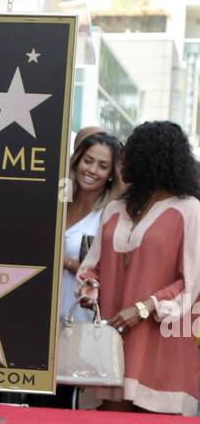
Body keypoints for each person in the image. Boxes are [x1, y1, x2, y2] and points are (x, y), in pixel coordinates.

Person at [77, 120, 200, 414]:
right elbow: (92, 267)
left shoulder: (189, 210)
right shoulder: (113, 209)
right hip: (110, 346)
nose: (123, 158)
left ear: (148, 157)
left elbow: (192, 281)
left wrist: (144, 307)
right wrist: (89, 290)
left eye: (130, 151)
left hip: (163, 348)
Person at [60, 131, 121, 322]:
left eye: (103, 166)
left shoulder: (110, 214)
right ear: (77, 161)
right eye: (88, 161)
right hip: (42, 313)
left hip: (81, 319)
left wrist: (64, 261)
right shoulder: (60, 200)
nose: (92, 170)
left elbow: (107, 274)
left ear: (111, 174)